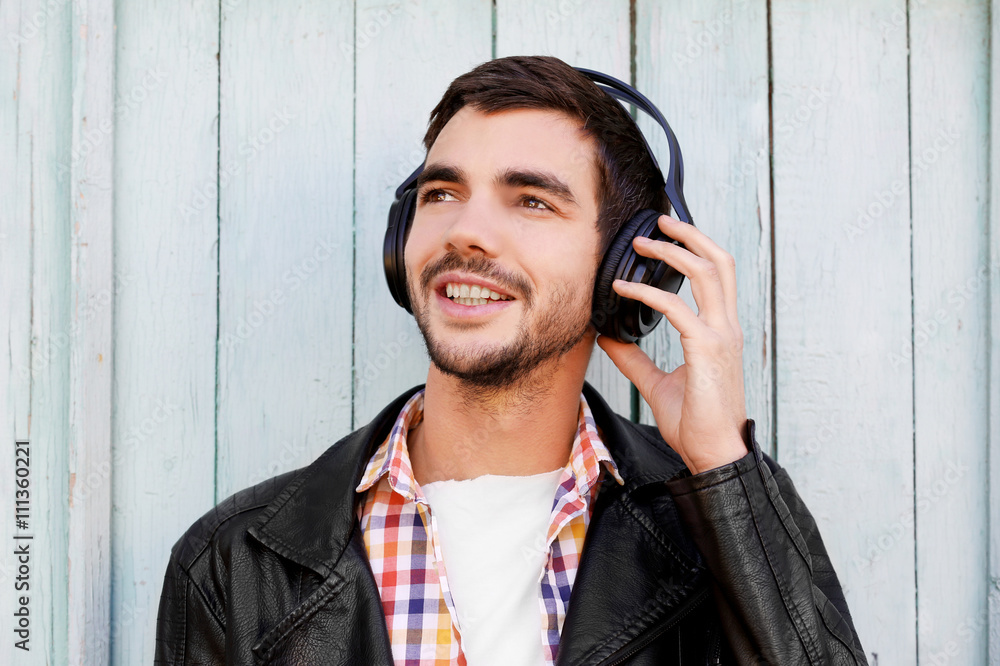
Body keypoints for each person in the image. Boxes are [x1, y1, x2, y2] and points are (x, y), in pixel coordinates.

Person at [155, 56, 867, 665]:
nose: (467, 231)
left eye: (531, 201)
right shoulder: (234, 561)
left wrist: (722, 470)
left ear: (630, 268)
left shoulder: (721, 530)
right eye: (442, 193)